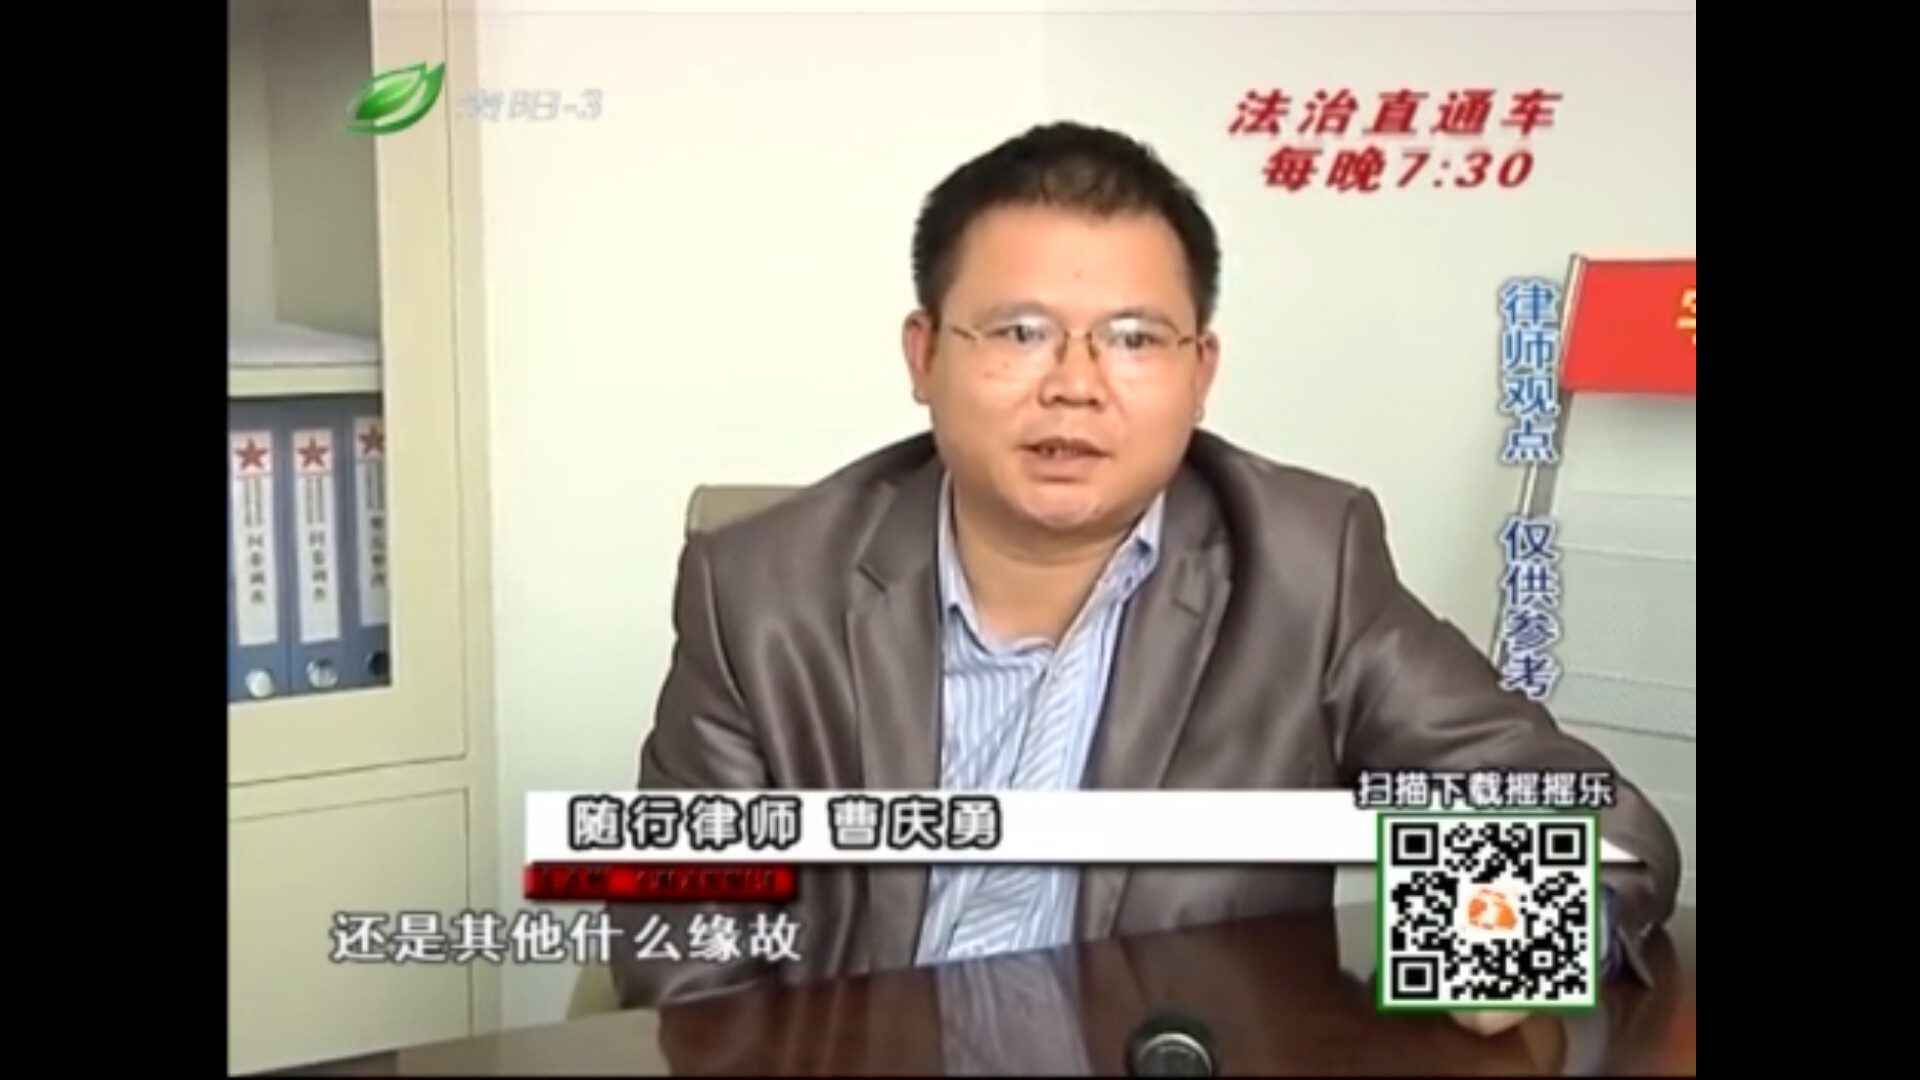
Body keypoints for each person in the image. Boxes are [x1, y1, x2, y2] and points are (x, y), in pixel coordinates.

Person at [611, 122, 1682, 1034]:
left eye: (1132, 338)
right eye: (1020, 332)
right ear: (924, 355)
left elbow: (1610, 836)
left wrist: (1489, 941)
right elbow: (685, 948)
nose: (1075, 386)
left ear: (1199, 372)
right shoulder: (759, 590)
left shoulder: (1307, 566)